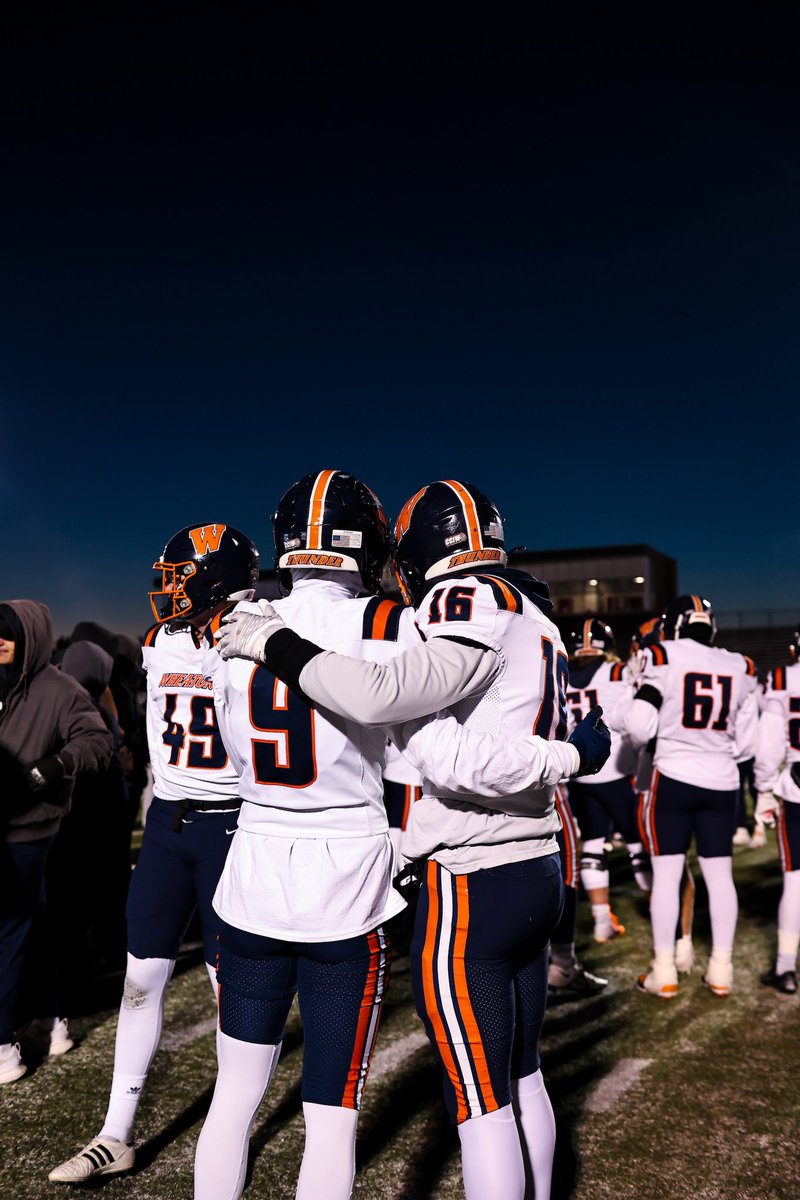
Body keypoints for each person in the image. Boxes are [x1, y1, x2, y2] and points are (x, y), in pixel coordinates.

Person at [214, 477, 611, 1200]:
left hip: (451, 875)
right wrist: (567, 760)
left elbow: (421, 738)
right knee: (520, 1077)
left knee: (481, 1105)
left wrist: (274, 642)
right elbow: (408, 741)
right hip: (530, 861)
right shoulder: (532, 614)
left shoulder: (444, 603)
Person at [49, 522, 259, 1183]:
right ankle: (116, 1133)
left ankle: (229, 1134)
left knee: (233, 989)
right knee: (140, 985)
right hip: (168, 829)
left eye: (177, 578)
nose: (164, 593)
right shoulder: (157, 641)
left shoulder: (257, 635)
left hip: (231, 826)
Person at [623, 594, 759, 999]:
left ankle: (663, 970)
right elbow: (747, 741)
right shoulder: (740, 664)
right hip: (723, 779)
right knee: (720, 877)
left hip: (675, 776)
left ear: (676, 626)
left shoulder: (662, 654)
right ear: (711, 626)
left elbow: (639, 727)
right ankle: (721, 968)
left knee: (666, 873)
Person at [0, 600, 113, 1085]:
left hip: (27, 831)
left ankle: (2, 1045)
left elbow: (98, 741)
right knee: (32, 927)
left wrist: (56, 766)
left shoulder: (59, 688)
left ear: (30, 636)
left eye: (7, 633)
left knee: (9, 931)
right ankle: (50, 1017)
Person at [564, 618, 647, 942]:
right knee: (638, 844)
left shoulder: (563, 675)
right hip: (617, 773)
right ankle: (659, 906)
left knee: (594, 843)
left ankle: (601, 919)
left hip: (580, 774)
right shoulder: (617, 672)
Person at [753, 621, 800, 994]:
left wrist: (764, 789)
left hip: (797, 789)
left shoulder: (784, 679)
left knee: (795, 881)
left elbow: (769, 742)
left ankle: (786, 967)